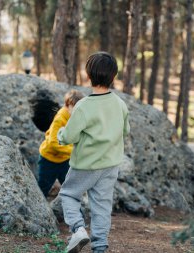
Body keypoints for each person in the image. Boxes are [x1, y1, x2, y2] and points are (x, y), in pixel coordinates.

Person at [58, 52, 130, 253]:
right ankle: (99, 248)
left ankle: (78, 230)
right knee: (102, 207)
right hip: (110, 165)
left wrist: (61, 134)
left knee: (68, 195)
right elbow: (126, 130)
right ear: (113, 76)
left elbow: (70, 136)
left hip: (85, 165)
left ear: (88, 75)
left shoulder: (83, 106)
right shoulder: (120, 104)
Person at [36, 89, 84, 197]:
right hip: (48, 160)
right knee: (42, 189)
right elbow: (53, 143)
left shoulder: (74, 118)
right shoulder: (60, 119)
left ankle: (76, 213)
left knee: (71, 188)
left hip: (64, 160)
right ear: (68, 105)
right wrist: (72, 150)